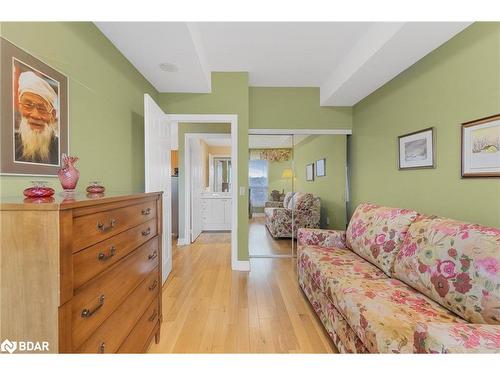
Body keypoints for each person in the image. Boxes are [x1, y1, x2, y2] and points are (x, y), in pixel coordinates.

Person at [14, 71, 59, 164]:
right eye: (28, 105)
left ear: (53, 115)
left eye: (42, 108)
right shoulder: (7, 145)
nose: (35, 115)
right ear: (20, 108)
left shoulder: (60, 149)